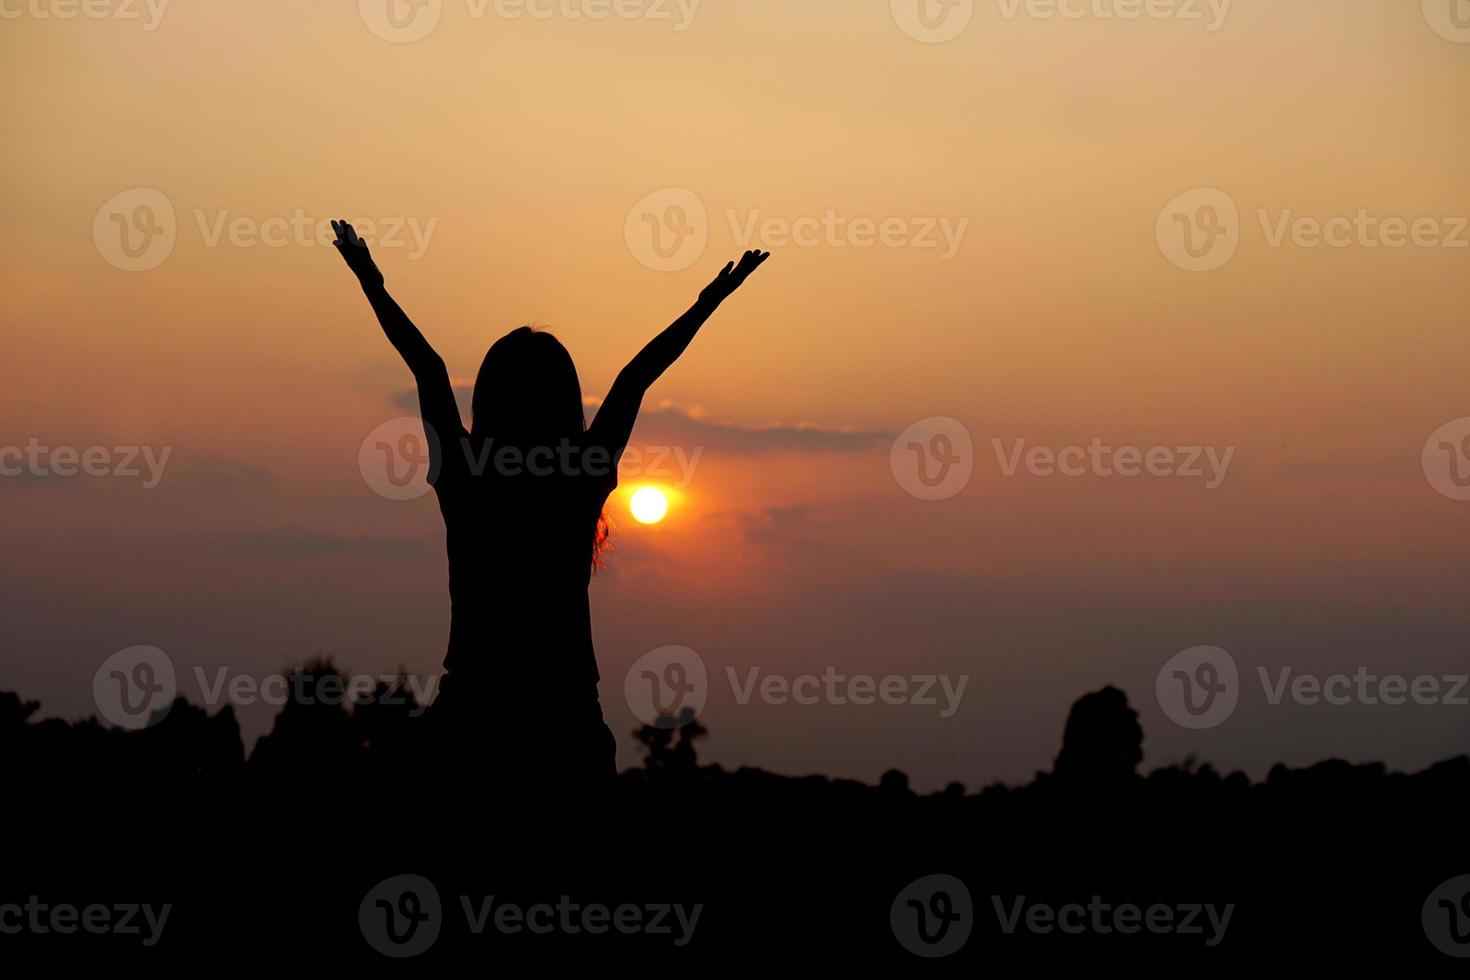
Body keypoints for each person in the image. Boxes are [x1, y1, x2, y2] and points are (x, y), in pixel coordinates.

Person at [330, 218, 769, 793]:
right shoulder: (580, 472)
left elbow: (428, 367)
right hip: (564, 726)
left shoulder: (465, 471)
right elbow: (635, 378)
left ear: (489, 397)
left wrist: (373, 285)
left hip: (470, 721)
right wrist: (708, 302)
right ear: (565, 400)